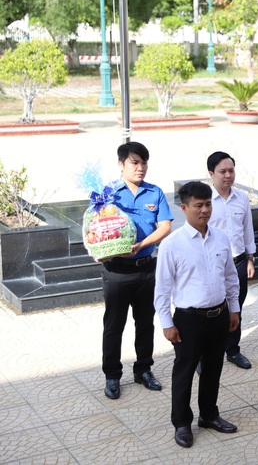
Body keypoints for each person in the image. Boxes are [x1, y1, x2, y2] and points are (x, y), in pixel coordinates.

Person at [154, 181, 240, 448]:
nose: (205, 210)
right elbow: (162, 289)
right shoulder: (172, 245)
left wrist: (234, 309)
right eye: (198, 205)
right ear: (184, 208)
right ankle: (181, 423)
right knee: (185, 371)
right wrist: (167, 323)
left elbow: (230, 277)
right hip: (188, 320)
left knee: (213, 368)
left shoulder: (221, 237)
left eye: (208, 204)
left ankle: (209, 415)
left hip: (219, 315)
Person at [99, 141, 173, 400]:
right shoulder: (108, 195)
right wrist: (98, 249)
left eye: (144, 162)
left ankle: (143, 369)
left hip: (146, 269)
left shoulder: (155, 193)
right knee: (114, 325)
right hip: (116, 271)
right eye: (134, 162)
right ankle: (112, 375)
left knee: (145, 322)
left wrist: (142, 244)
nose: (140, 168)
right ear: (121, 165)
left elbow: (165, 226)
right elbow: (93, 227)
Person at [206, 151, 255, 370]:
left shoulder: (242, 198)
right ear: (211, 174)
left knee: (236, 306)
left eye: (231, 170)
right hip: (211, 263)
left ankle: (233, 350)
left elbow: (247, 230)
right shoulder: (205, 200)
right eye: (222, 171)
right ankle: (203, 354)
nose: (228, 175)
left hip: (238, 262)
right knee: (209, 309)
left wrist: (251, 258)